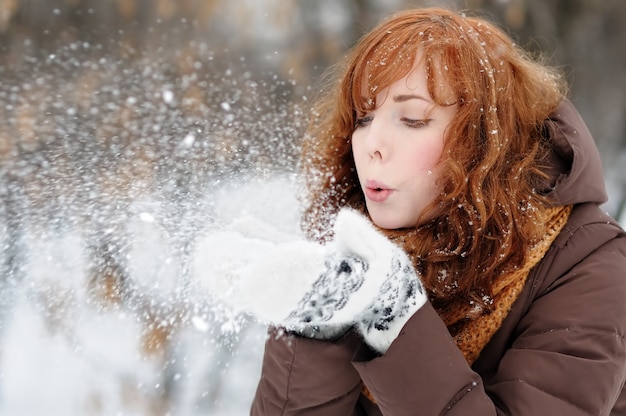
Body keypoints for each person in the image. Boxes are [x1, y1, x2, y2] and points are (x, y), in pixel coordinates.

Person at [242, 6, 626, 415]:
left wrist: (398, 321)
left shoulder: (589, 265)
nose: (373, 143)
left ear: (483, 142)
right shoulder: (360, 253)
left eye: (412, 119)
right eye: (363, 117)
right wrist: (316, 328)